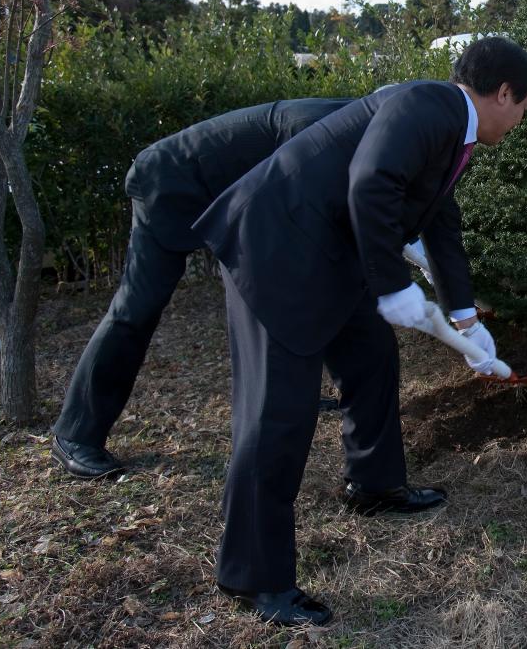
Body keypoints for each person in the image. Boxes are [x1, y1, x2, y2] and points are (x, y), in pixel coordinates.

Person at [192, 36, 527, 626]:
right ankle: (252, 576)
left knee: (372, 356)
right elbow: (370, 182)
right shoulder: (426, 105)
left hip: (331, 254)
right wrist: (392, 286)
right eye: (525, 104)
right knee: (278, 413)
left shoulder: (453, 132)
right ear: (504, 92)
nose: (523, 117)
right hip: (278, 250)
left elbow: (440, 222)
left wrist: (465, 317)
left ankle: (375, 485)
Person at [51, 98, 354, 480]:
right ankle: (75, 434)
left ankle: (288, 394)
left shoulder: (352, 126)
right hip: (167, 184)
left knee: (280, 294)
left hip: (231, 198)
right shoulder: (319, 126)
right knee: (136, 309)